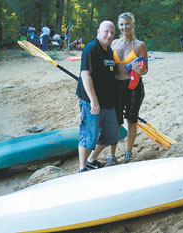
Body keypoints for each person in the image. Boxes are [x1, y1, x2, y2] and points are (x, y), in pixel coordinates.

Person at [76, 20, 118, 173]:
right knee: (89, 134)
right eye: (106, 31)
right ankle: (82, 168)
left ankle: (91, 159)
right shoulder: (90, 49)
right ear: (98, 32)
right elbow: (85, 75)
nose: (109, 35)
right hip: (91, 101)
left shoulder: (109, 51)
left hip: (108, 101)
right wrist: (93, 100)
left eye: (112, 32)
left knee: (111, 133)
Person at [107, 12, 148, 166]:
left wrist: (139, 70)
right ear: (119, 26)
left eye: (127, 24)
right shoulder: (114, 43)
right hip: (116, 86)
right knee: (115, 121)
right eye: (122, 24)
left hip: (134, 86)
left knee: (131, 119)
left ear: (132, 25)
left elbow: (145, 70)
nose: (125, 27)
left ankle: (128, 152)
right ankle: (112, 155)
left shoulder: (139, 45)